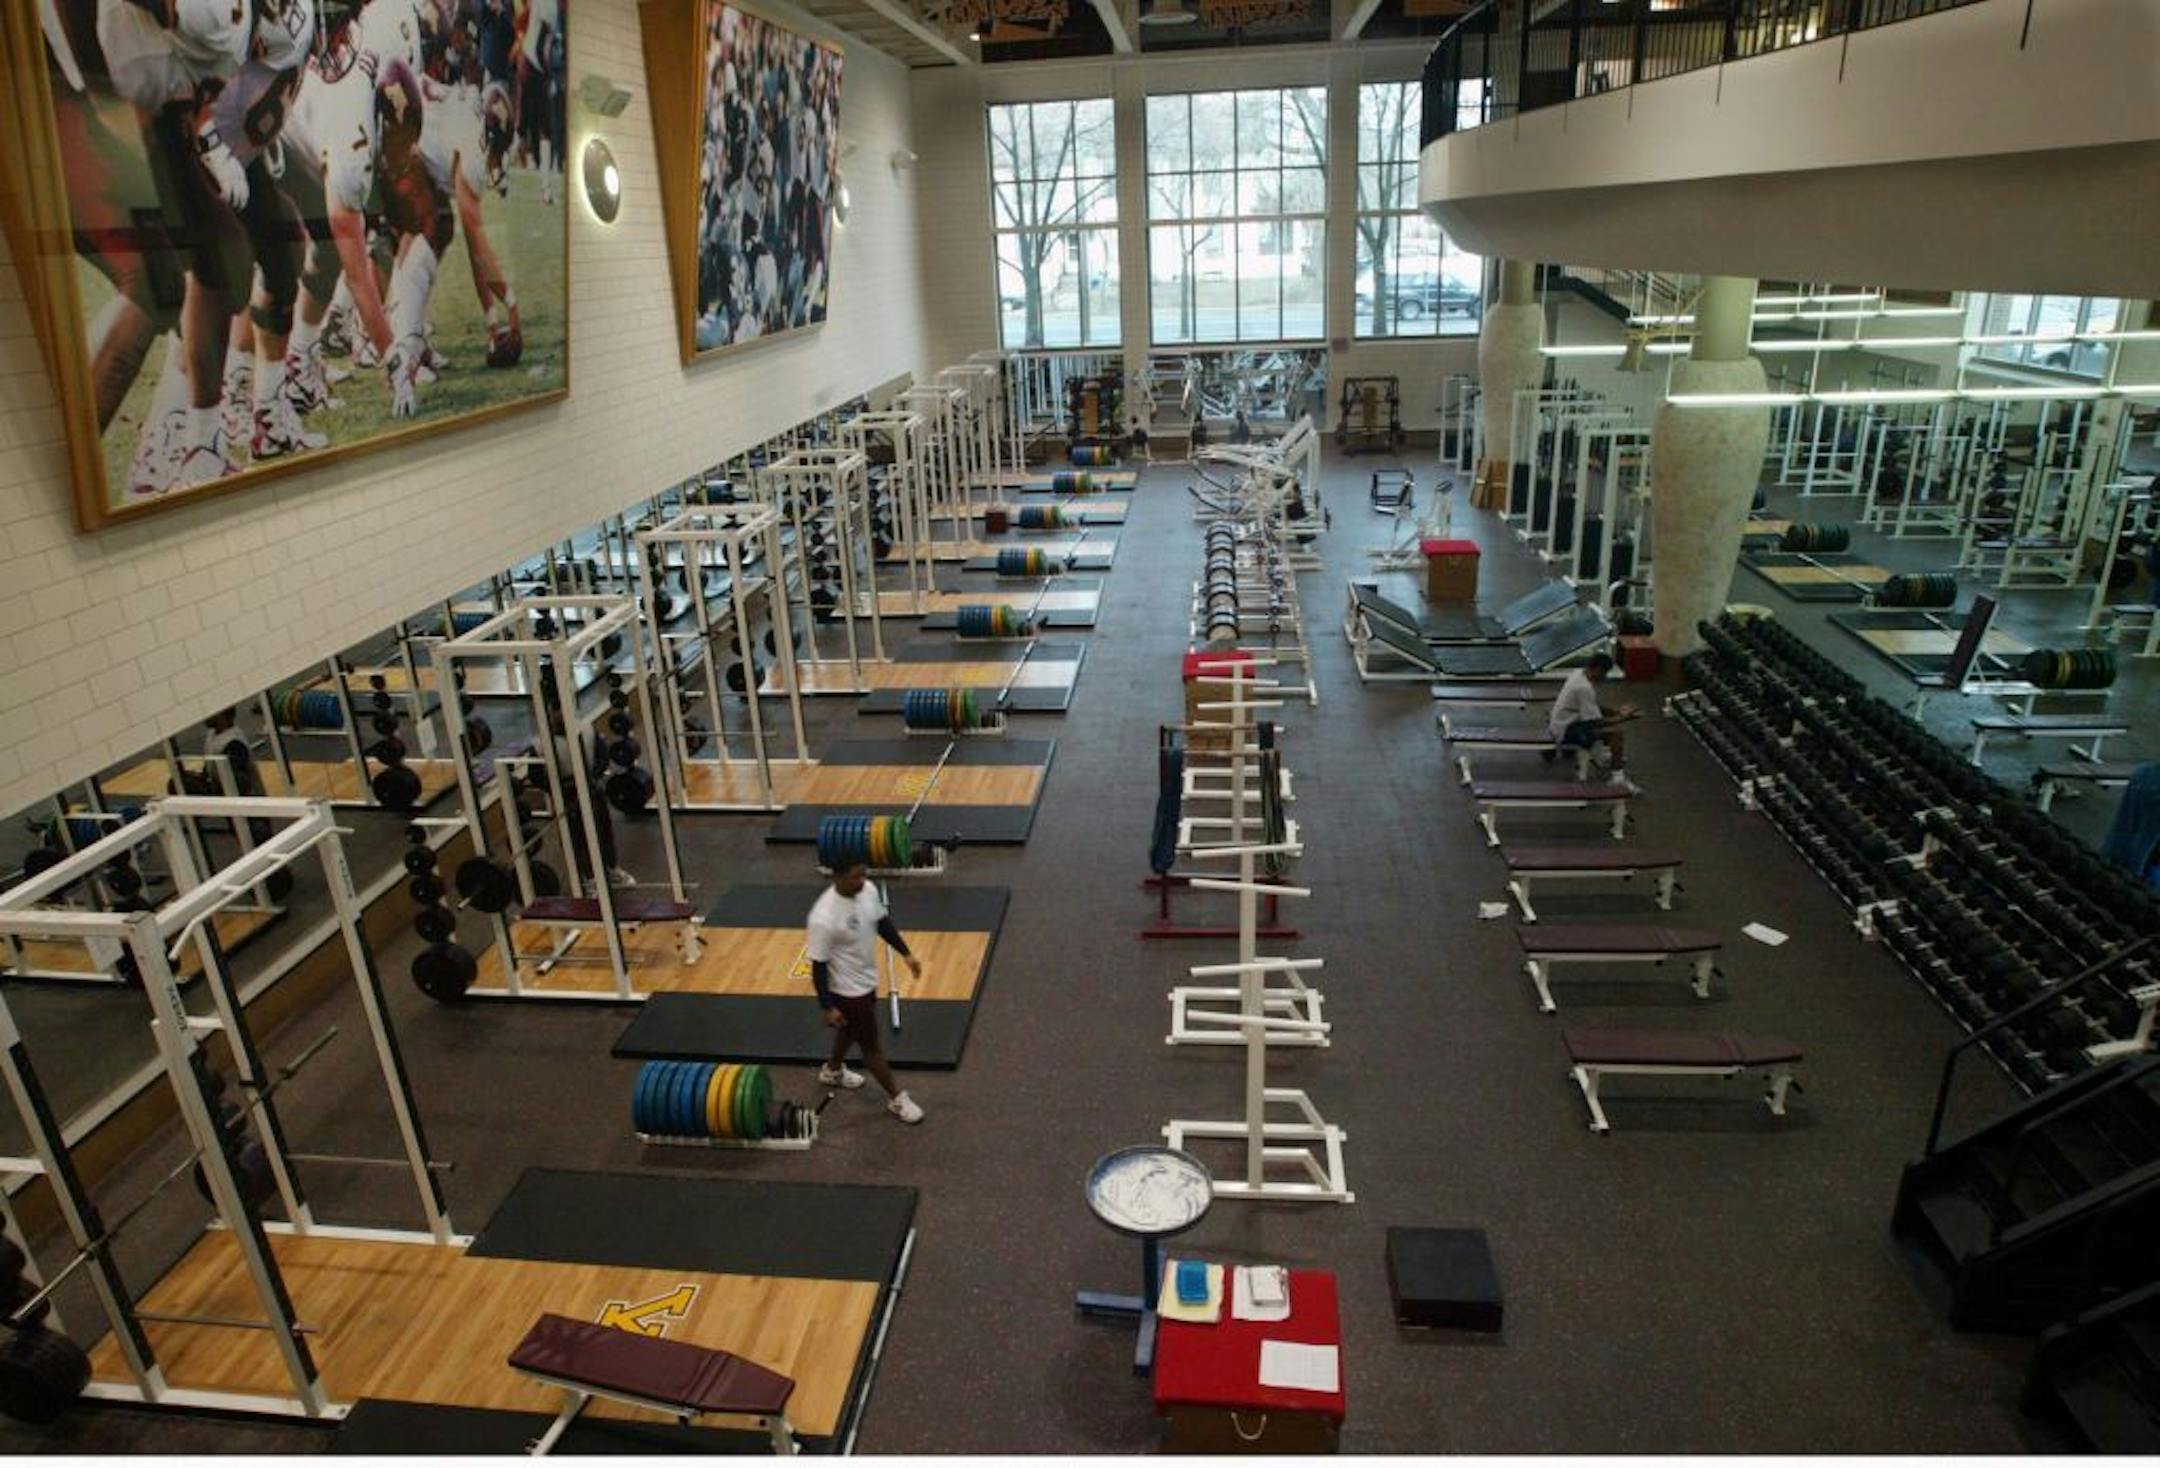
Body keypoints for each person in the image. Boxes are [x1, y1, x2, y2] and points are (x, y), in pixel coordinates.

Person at [805, 862, 925, 1124]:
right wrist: (827, 1006)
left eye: (863, 874)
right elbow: (818, 966)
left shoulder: (867, 889)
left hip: (867, 980)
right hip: (848, 991)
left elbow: (881, 922)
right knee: (870, 1046)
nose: (862, 880)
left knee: (850, 1029)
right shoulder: (823, 917)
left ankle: (832, 1071)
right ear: (837, 876)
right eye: (855, 876)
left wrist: (906, 954)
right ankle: (896, 1098)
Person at [1548, 652, 1638, 792]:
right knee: (1616, 734)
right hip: (1564, 731)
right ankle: (1618, 779)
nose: (1604, 677)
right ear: (1597, 669)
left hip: (1563, 723)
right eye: (1604, 673)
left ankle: (1600, 756)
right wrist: (1624, 718)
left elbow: (1591, 706)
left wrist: (1616, 711)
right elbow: (1594, 722)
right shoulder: (1583, 688)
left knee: (1608, 728)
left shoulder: (1578, 674)